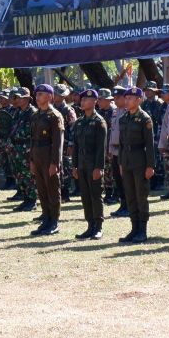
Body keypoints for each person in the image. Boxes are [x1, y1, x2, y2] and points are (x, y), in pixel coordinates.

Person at [117, 87, 155, 243]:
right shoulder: (123, 118)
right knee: (130, 196)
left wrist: (150, 166)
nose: (127, 101)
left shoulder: (145, 119)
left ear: (139, 100)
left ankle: (142, 230)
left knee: (141, 196)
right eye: (126, 98)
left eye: (130, 98)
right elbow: (121, 143)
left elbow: (149, 145)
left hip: (140, 160)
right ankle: (134, 228)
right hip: (126, 161)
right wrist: (120, 162)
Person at [29, 84, 65, 236]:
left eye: (41, 95)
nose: (38, 98)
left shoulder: (54, 116)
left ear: (50, 96)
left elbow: (58, 142)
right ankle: (46, 218)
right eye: (37, 95)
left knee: (52, 189)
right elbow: (32, 139)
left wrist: (55, 163)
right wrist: (31, 159)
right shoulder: (36, 115)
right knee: (42, 190)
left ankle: (54, 221)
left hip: (49, 155)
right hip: (37, 155)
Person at [71, 89, 107, 240]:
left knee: (95, 195)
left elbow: (101, 147)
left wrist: (99, 167)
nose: (83, 102)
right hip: (82, 164)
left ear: (94, 102)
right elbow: (76, 146)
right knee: (85, 196)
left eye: (86, 100)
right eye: (82, 99)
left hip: (93, 164)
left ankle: (98, 227)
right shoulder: (79, 122)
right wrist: (74, 166)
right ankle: (89, 225)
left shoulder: (99, 122)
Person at [9, 88, 37, 212]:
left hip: (27, 148)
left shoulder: (33, 113)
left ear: (26, 98)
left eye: (20, 97)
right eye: (17, 97)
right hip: (17, 148)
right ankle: (26, 199)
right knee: (20, 175)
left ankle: (32, 200)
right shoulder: (17, 112)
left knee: (29, 175)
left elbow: (35, 134)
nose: (18, 100)